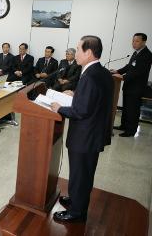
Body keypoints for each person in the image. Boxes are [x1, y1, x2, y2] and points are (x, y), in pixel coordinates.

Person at [51, 35, 113, 223]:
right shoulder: (100, 72)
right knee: (82, 172)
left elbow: (82, 110)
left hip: (86, 136)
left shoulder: (90, 76)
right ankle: (76, 199)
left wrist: (59, 108)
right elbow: (93, 99)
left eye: (78, 49)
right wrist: (76, 94)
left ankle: (76, 213)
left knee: (81, 173)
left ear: (88, 52)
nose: (75, 52)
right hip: (92, 134)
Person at [111, 33, 152, 137]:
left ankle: (131, 130)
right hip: (129, 86)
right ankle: (124, 125)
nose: (134, 43)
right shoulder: (136, 53)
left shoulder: (147, 55)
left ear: (144, 42)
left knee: (133, 109)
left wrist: (123, 77)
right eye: (133, 41)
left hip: (136, 88)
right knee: (126, 107)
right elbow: (129, 66)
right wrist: (118, 71)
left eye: (137, 41)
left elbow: (138, 71)